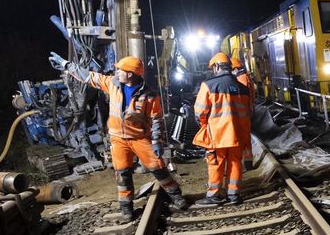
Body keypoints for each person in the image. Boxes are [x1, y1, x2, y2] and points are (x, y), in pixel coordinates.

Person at [49, 52, 188, 221]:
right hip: (118, 138)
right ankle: (126, 208)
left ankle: (176, 196)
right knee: (122, 173)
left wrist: (157, 141)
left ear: (130, 74)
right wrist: (66, 65)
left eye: (120, 70)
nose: (117, 73)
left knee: (158, 167)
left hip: (139, 138)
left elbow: (156, 119)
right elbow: (89, 77)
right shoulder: (112, 84)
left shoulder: (150, 95)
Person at [193, 52, 253, 207]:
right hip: (237, 134)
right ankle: (233, 194)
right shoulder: (242, 87)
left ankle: (214, 195)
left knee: (215, 163)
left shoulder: (209, 85)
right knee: (235, 163)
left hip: (217, 135)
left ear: (217, 66)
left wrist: (204, 125)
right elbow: (248, 112)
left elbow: (199, 111)